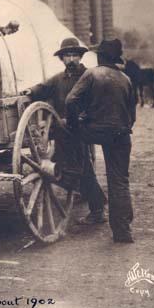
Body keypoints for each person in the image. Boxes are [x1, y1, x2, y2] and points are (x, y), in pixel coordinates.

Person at [22, 37, 107, 224]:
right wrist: (30, 91)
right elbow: (43, 88)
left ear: (80, 56)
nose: (71, 59)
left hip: (81, 128)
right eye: (67, 56)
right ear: (62, 59)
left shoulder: (89, 77)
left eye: (74, 55)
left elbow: (96, 104)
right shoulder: (59, 79)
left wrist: (81, 119)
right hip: (62, 130)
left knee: (83, 168)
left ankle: (98, 210)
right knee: (62, 164)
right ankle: (81, 191)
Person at [65, 38, 137, 243]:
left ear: (100, 56)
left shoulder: (92, 74)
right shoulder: (126, 78)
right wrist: (123, 126)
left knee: (71, 141)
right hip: (121, 134)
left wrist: (74, 124)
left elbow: (71, 101)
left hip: (94, 131)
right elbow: (132, 114)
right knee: (119, 181)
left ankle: (85, 178)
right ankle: (123, 231)